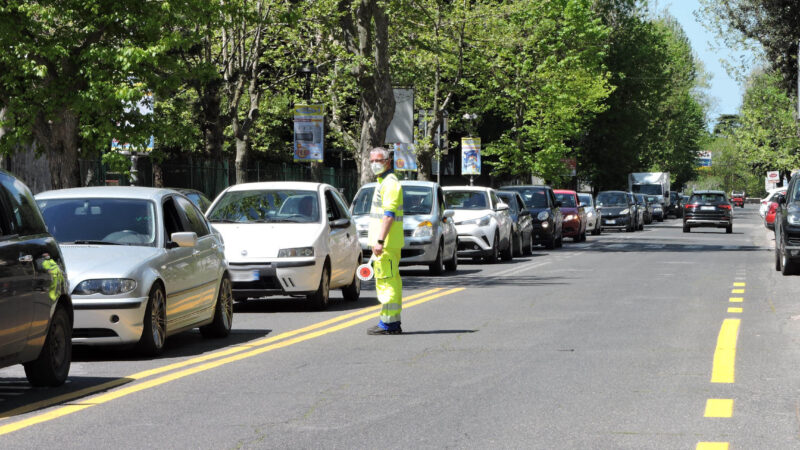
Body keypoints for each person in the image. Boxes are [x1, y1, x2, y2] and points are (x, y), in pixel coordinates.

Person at [366, 147, 405, 335]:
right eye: (372, 160)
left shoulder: (389, 183)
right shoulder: (385, 181)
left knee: (386, 283)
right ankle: (391, 321)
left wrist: (379, 241)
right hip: (389, 243)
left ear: (388, 161)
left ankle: (388, 324)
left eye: (378, 160)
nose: (374, 164)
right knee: (392, 282)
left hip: (386, 245)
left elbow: (388, 215)